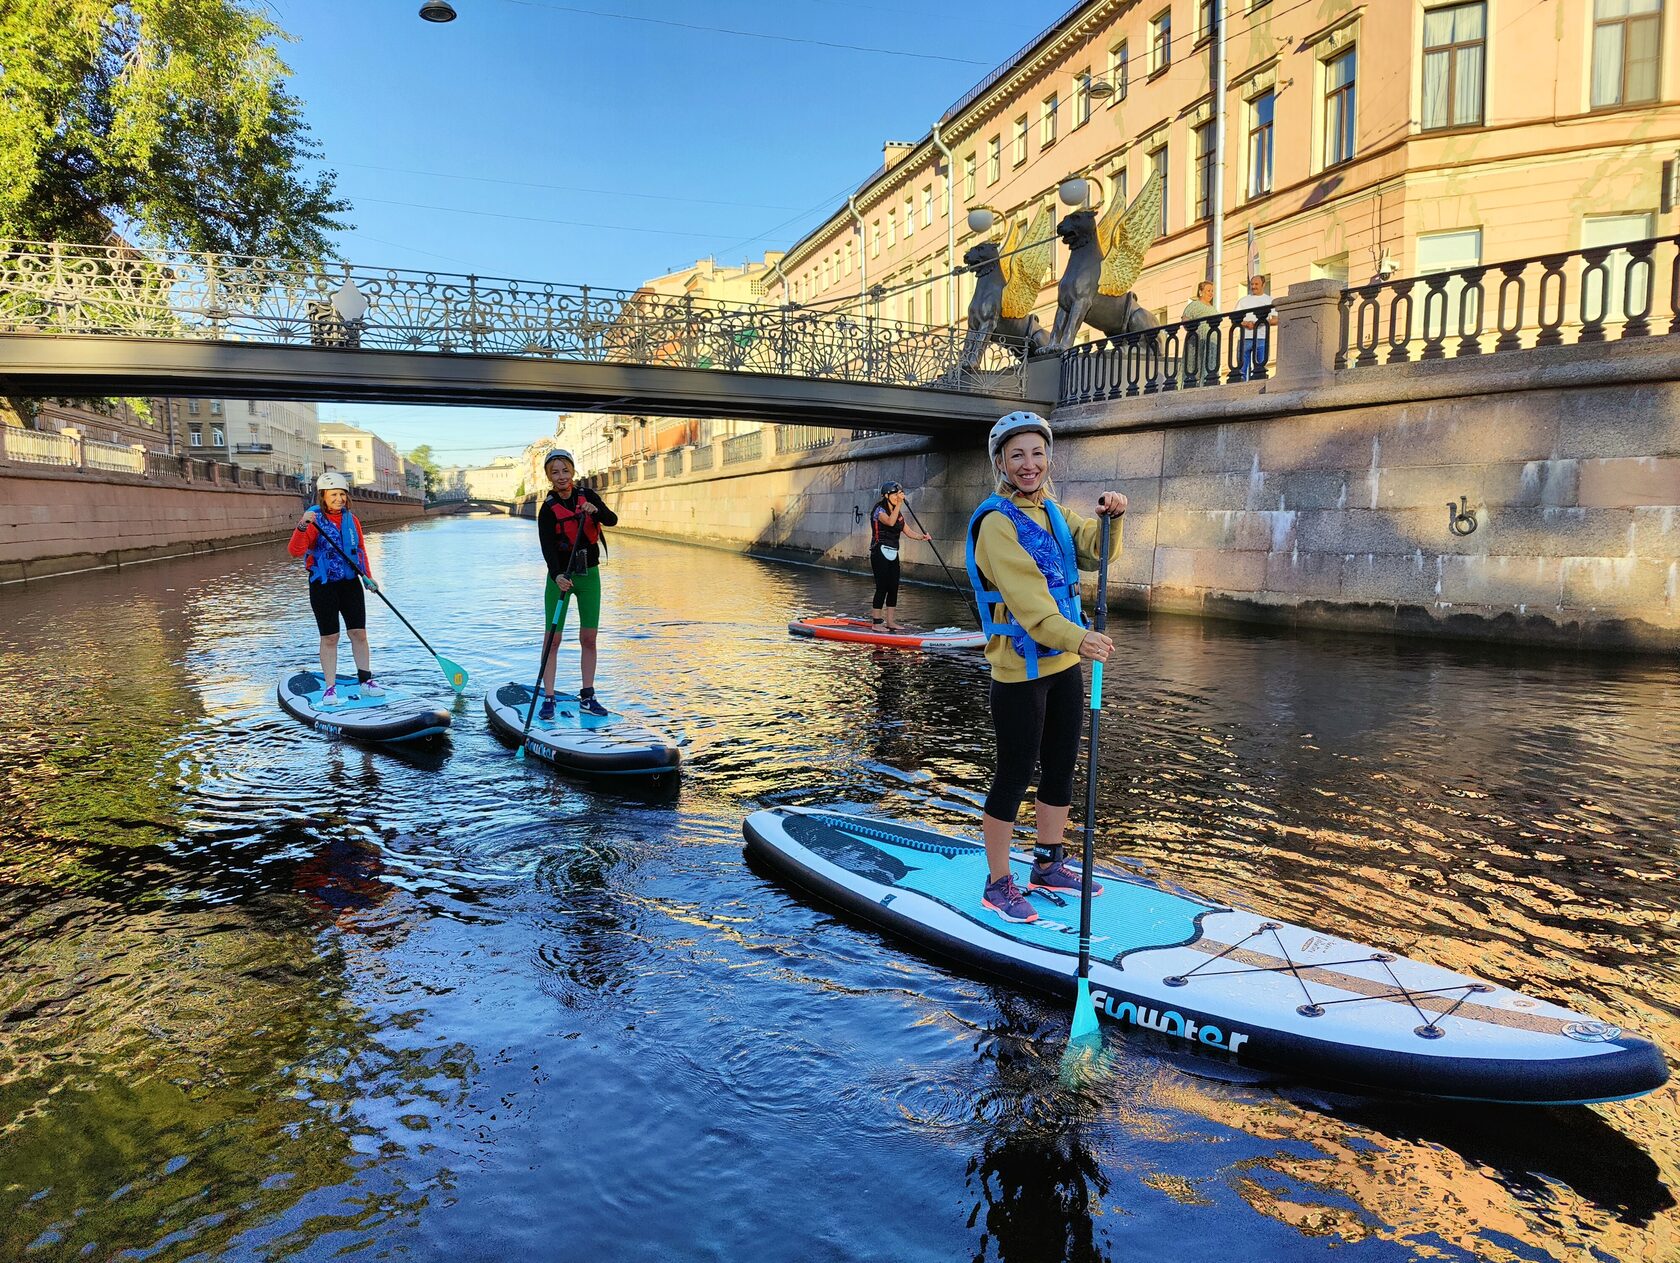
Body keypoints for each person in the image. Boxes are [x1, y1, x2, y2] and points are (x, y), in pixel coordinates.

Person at [963, 412, 1127, 924]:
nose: (1029, 464)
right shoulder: (996, 523)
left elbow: (1097, 550)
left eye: (1037, 454)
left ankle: (1047, 864)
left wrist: (1111, 517)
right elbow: (1031, 607)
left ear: (1048, 459)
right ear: (1000, 463)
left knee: (1060, 766)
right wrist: (1081, 638)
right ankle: (997, 884)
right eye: (1017, 456)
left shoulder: (1052, 512)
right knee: (1014, 774)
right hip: (1019, 672)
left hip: (1062, 665)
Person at [536, 449, 618, 719]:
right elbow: (547, 548)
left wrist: (596, 510)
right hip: (560, 579)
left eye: (565, 470)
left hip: (589, 576)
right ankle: (549, 697)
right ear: (549, 476)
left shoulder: (588, 496)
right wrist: (557, 575)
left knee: (589, 638)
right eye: (555, 472)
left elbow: (612, 520)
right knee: (553, 639)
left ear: (572, 471)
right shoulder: (547, 508)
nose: (561, 476)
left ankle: (588, 696)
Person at [288, 471, 382, 708]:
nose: (339, 499)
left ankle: (365, 680)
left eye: (342, 494)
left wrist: (367, 578)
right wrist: (301, 526)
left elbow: (360, 551)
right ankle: (330, 688)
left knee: (359, 633)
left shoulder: (353, 521)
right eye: (334, 495)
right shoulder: (312, 521)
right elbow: (295, 551)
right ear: (323, 496)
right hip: (323, 585)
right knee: (330, 637)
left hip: (350, 584)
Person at [869, 480, 932, 631]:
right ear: (886, 495)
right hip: (879, 551)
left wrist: (921, 537)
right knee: (882, 587)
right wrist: (899, 504)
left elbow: (908, 531)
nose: (898, 497)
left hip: (892, 552)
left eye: (899, 494)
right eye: (895, 494)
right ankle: (876, 623)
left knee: (893, 587)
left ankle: (890, 622)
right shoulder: (879, 510)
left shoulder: (898, 514)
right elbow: (890, 522)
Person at [1234, 273, 1276, 381]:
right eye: (1252, 284)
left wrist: (1262, 322)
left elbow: (1276, 319)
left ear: (1263, 284)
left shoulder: (1269, 300)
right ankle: (1241, 390)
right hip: (1244, 338)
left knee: (1260, 368)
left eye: (1256, 284)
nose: (1253, 286)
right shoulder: (1243, 301)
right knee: (1242, 369)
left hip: (1261, 338)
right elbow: (1235, 318)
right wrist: (1246, 323)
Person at [1180, 279, 1219, 388]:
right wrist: (1194, 331)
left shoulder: (1213, 308)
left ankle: (1208, 381)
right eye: (1208, 290)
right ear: (1201, 292)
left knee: (1210, 361)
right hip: (1197, 339)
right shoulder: (1195, 305)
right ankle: (1191, 383)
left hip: (1211, 339)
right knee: (1194, 362)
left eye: (1212, 291)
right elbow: (1185, 319)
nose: (1211, 293)